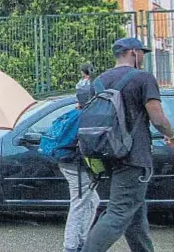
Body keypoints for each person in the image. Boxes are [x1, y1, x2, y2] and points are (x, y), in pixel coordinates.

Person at [81, 38, 174, 252]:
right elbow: (158, 119)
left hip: (104, 154)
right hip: (133, 157)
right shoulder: (143, 78)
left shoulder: (98, 81)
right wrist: (171, 135)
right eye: (142, 52)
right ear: (133, 53)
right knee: (117, 214)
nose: (144, 56)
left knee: (134, 214)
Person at [58, 63, 99, 252]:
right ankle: (72, 246)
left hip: (69, 162)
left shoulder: (78, 111)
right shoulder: (88, 116)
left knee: (93, 200)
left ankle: (81, 240)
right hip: (77, 165)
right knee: (79, 203)